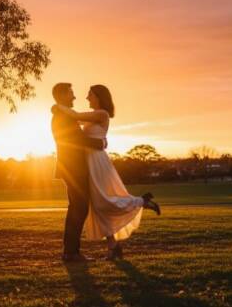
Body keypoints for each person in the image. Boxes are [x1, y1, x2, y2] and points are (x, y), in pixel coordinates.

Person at [53, 84, 160, 260]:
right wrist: (58, 108)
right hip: (86, 163)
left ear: (99, 97)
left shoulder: (100, 114)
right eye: (73, 93)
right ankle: (113, 247)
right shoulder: (80, 117)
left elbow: (76, 118)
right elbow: (76, 129)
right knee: (97, 202)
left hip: (97, 162)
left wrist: (57, 106)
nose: (85, 97)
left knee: (103, 199)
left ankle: (141, 201)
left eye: (90, 95)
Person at [51, 82, 107, 262]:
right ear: (62, 95)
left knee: (78, 207)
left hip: (72, 167)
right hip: (72, 167)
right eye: (71, 94)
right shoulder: (63, 117)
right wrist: (100, 144)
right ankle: (71, 253)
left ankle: (71, 251)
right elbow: (77, 139)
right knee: (78, 207)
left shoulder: (64, 115)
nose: (74, 97)